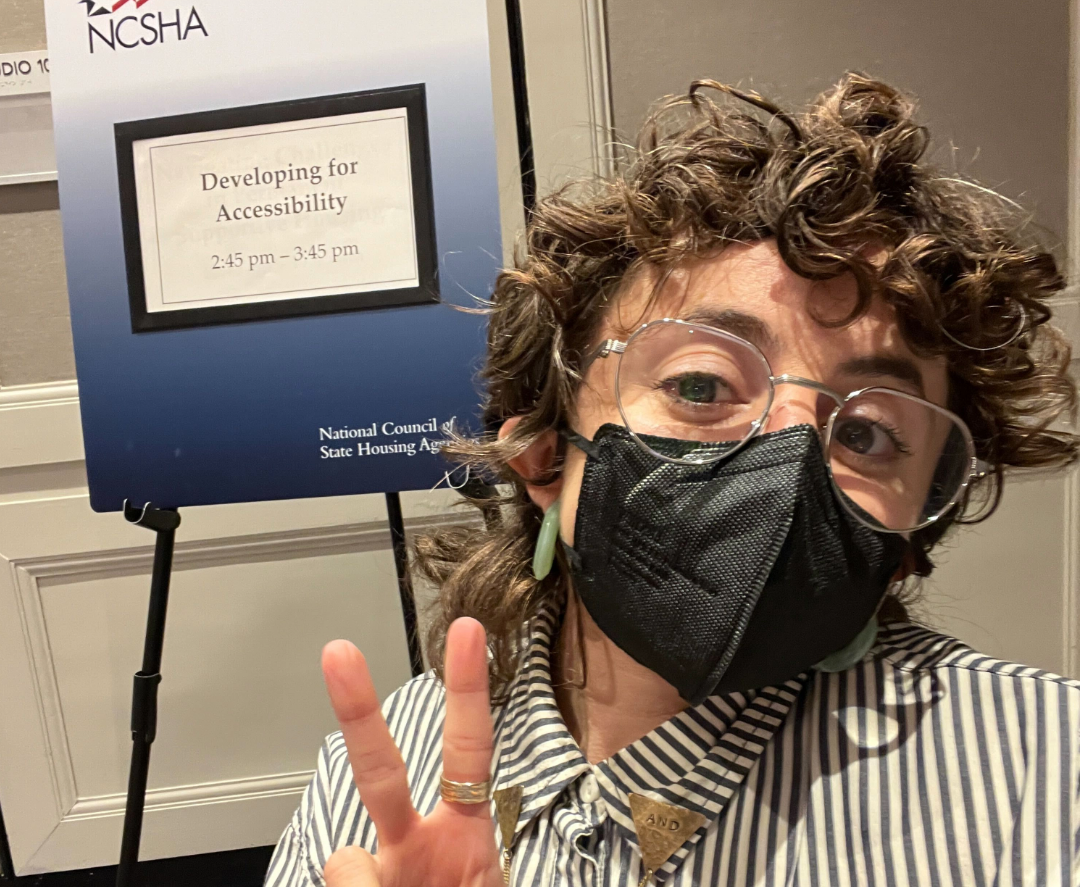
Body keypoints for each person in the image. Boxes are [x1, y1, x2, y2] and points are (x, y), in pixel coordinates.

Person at [265, 75, 1080, 887]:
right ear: (545, 457)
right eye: (701, 385)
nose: (790, 457)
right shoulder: (380, 777)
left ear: (910, 535)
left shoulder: (1046, 778)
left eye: (867, 432)